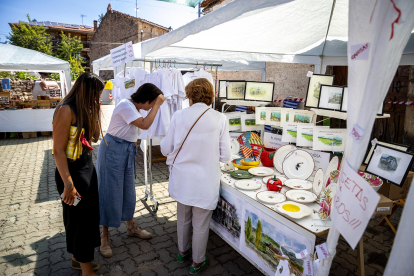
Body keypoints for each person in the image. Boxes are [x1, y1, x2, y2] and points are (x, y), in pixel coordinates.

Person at [160, 78, 232, 274]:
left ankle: (183, 251)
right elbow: (226, 156)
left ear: (189, 95)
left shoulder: (178, 116)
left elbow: (166, 148)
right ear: (210, 95)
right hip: (205, 181)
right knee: (201, 224)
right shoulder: (220, 118)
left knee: (183, 218)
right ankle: (197, 262)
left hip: (182, 179)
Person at [97, 83, 166, 258]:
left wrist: (155, 104)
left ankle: (131, 227)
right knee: (109, 191)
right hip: (112, 150)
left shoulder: (132, 107)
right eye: (151, 104)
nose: (151, 108)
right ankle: (104, 236)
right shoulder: (125, 105)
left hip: (126, 150)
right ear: (146, 100)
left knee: (128, 190)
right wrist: (157, 105)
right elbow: (144, 125)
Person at [53, 73, 105, 276]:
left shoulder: (84, 108)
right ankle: (86, 270)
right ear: (87, 91)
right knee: (80, 219)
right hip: (71, 175)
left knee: (88, 217)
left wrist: (96, 111)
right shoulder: (65, 110)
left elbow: (93, 137)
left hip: (86, 170)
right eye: (96, 94)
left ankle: (78, 259)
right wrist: (68, 184)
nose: (98, 97)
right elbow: (58, 151)